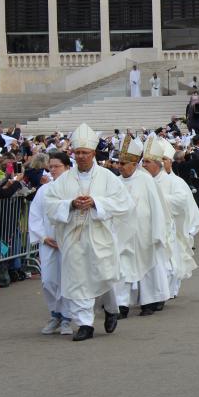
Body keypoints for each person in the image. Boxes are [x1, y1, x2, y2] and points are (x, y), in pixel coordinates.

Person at [43, 123, 135, 341]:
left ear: (93, 153)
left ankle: (111, 309)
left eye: (85, 152)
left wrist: (96, 203)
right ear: (73, 153)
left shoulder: (107, 177)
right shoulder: (64, 180)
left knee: (102, 276)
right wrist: (71, 204)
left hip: (99, 235)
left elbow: (124, 203)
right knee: (78, 279)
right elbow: (50, 204)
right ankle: (85, 324)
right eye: (78, 152)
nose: (82, 156)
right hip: (74, 237)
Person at [113, 136, 171, 317]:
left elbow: (157, 207)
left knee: (148, 266)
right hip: (123, 233)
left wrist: (158, 231)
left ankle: (149, 301)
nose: (120, 167)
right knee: (122, 269)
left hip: (144, 233)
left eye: (123, 164)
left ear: (133, 164)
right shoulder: (116, 182)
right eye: (119, 163)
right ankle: (121, 305)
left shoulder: (146, 181)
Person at [144, 136, 199, 299]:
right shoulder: (144, 180)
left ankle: (170, 289)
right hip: (148, 228)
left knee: (172, 260)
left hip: (171, 228)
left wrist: (159, 200)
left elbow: (182, 202)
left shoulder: (176, 182)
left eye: (165, 159)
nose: (162, 162)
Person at [29, 152, 73, 336]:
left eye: (57, 166)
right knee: (49, 280)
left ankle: (67, 318)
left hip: (70, 242)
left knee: (68, 280)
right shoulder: (44, 190)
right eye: (51, 166)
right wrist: (43, 237)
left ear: (67, 167)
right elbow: (36, 214)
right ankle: (55, 314)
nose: (52, 170)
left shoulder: (74, 189)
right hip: (48, 242)